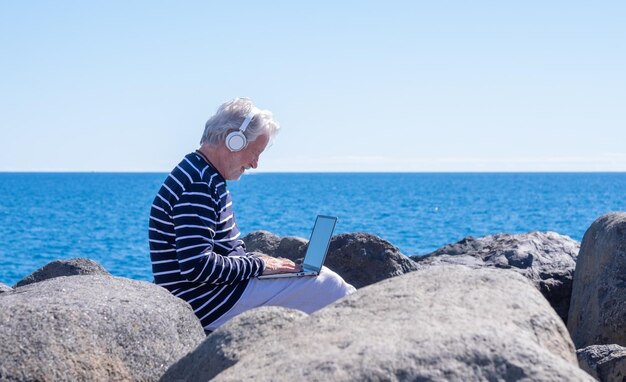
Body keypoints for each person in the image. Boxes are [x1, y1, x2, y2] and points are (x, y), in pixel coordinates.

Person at [149, 97, 355, 334]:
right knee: (329, 286)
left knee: (321, 277)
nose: (255, 164)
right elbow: (197, 266)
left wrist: (262, 263)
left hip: (215, 293)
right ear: (233, 140)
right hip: (207, 302)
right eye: (255, 153)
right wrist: (258, 265)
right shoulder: (198, 183)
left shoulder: (200, 172)